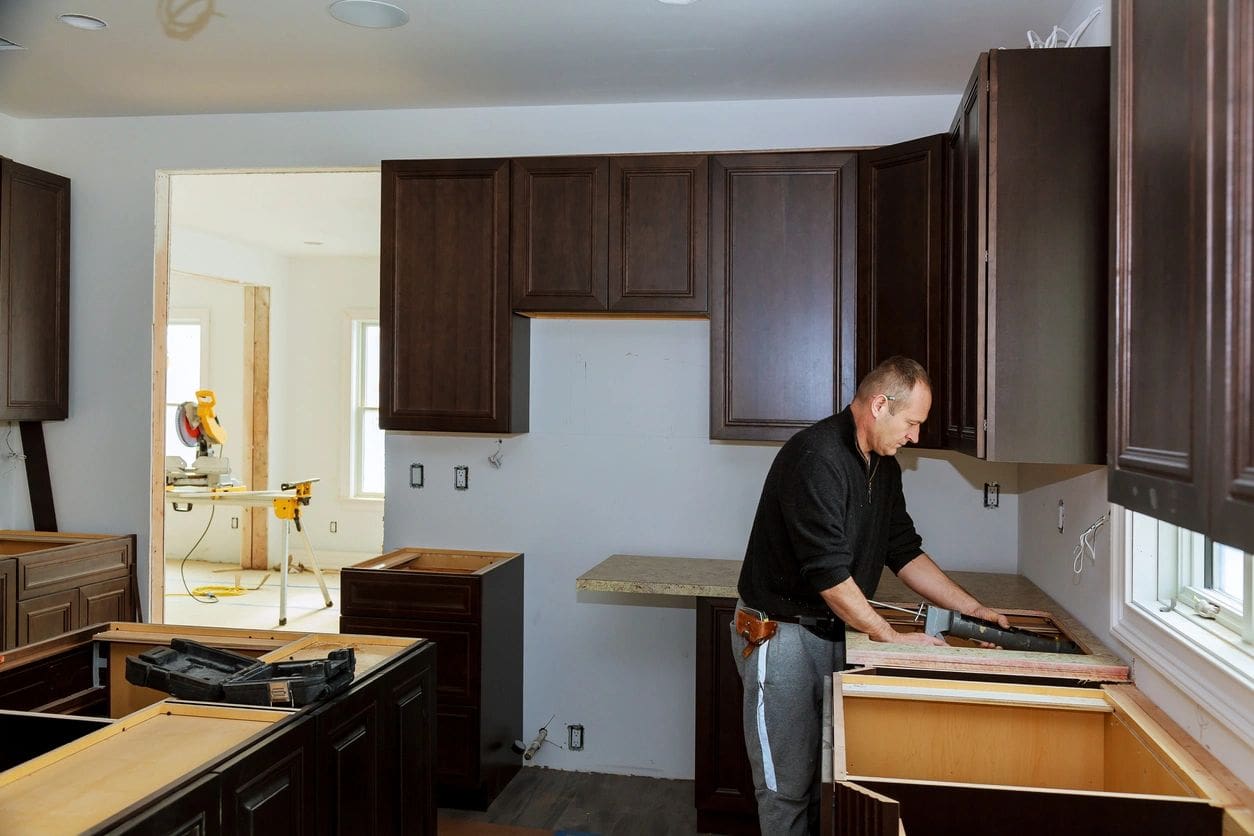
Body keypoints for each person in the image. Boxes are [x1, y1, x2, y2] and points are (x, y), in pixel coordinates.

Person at [731, 355, 1010, 835]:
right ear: (880, 405)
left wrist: (972, 608)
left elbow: (902, 550)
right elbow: (827, 574)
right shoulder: (815, 458)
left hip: (838, 632)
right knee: (785, 792)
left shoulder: (883, 466)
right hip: (781, 640)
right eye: (912, 423)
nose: (915, 436)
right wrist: (887, 635)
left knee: (830, 788)